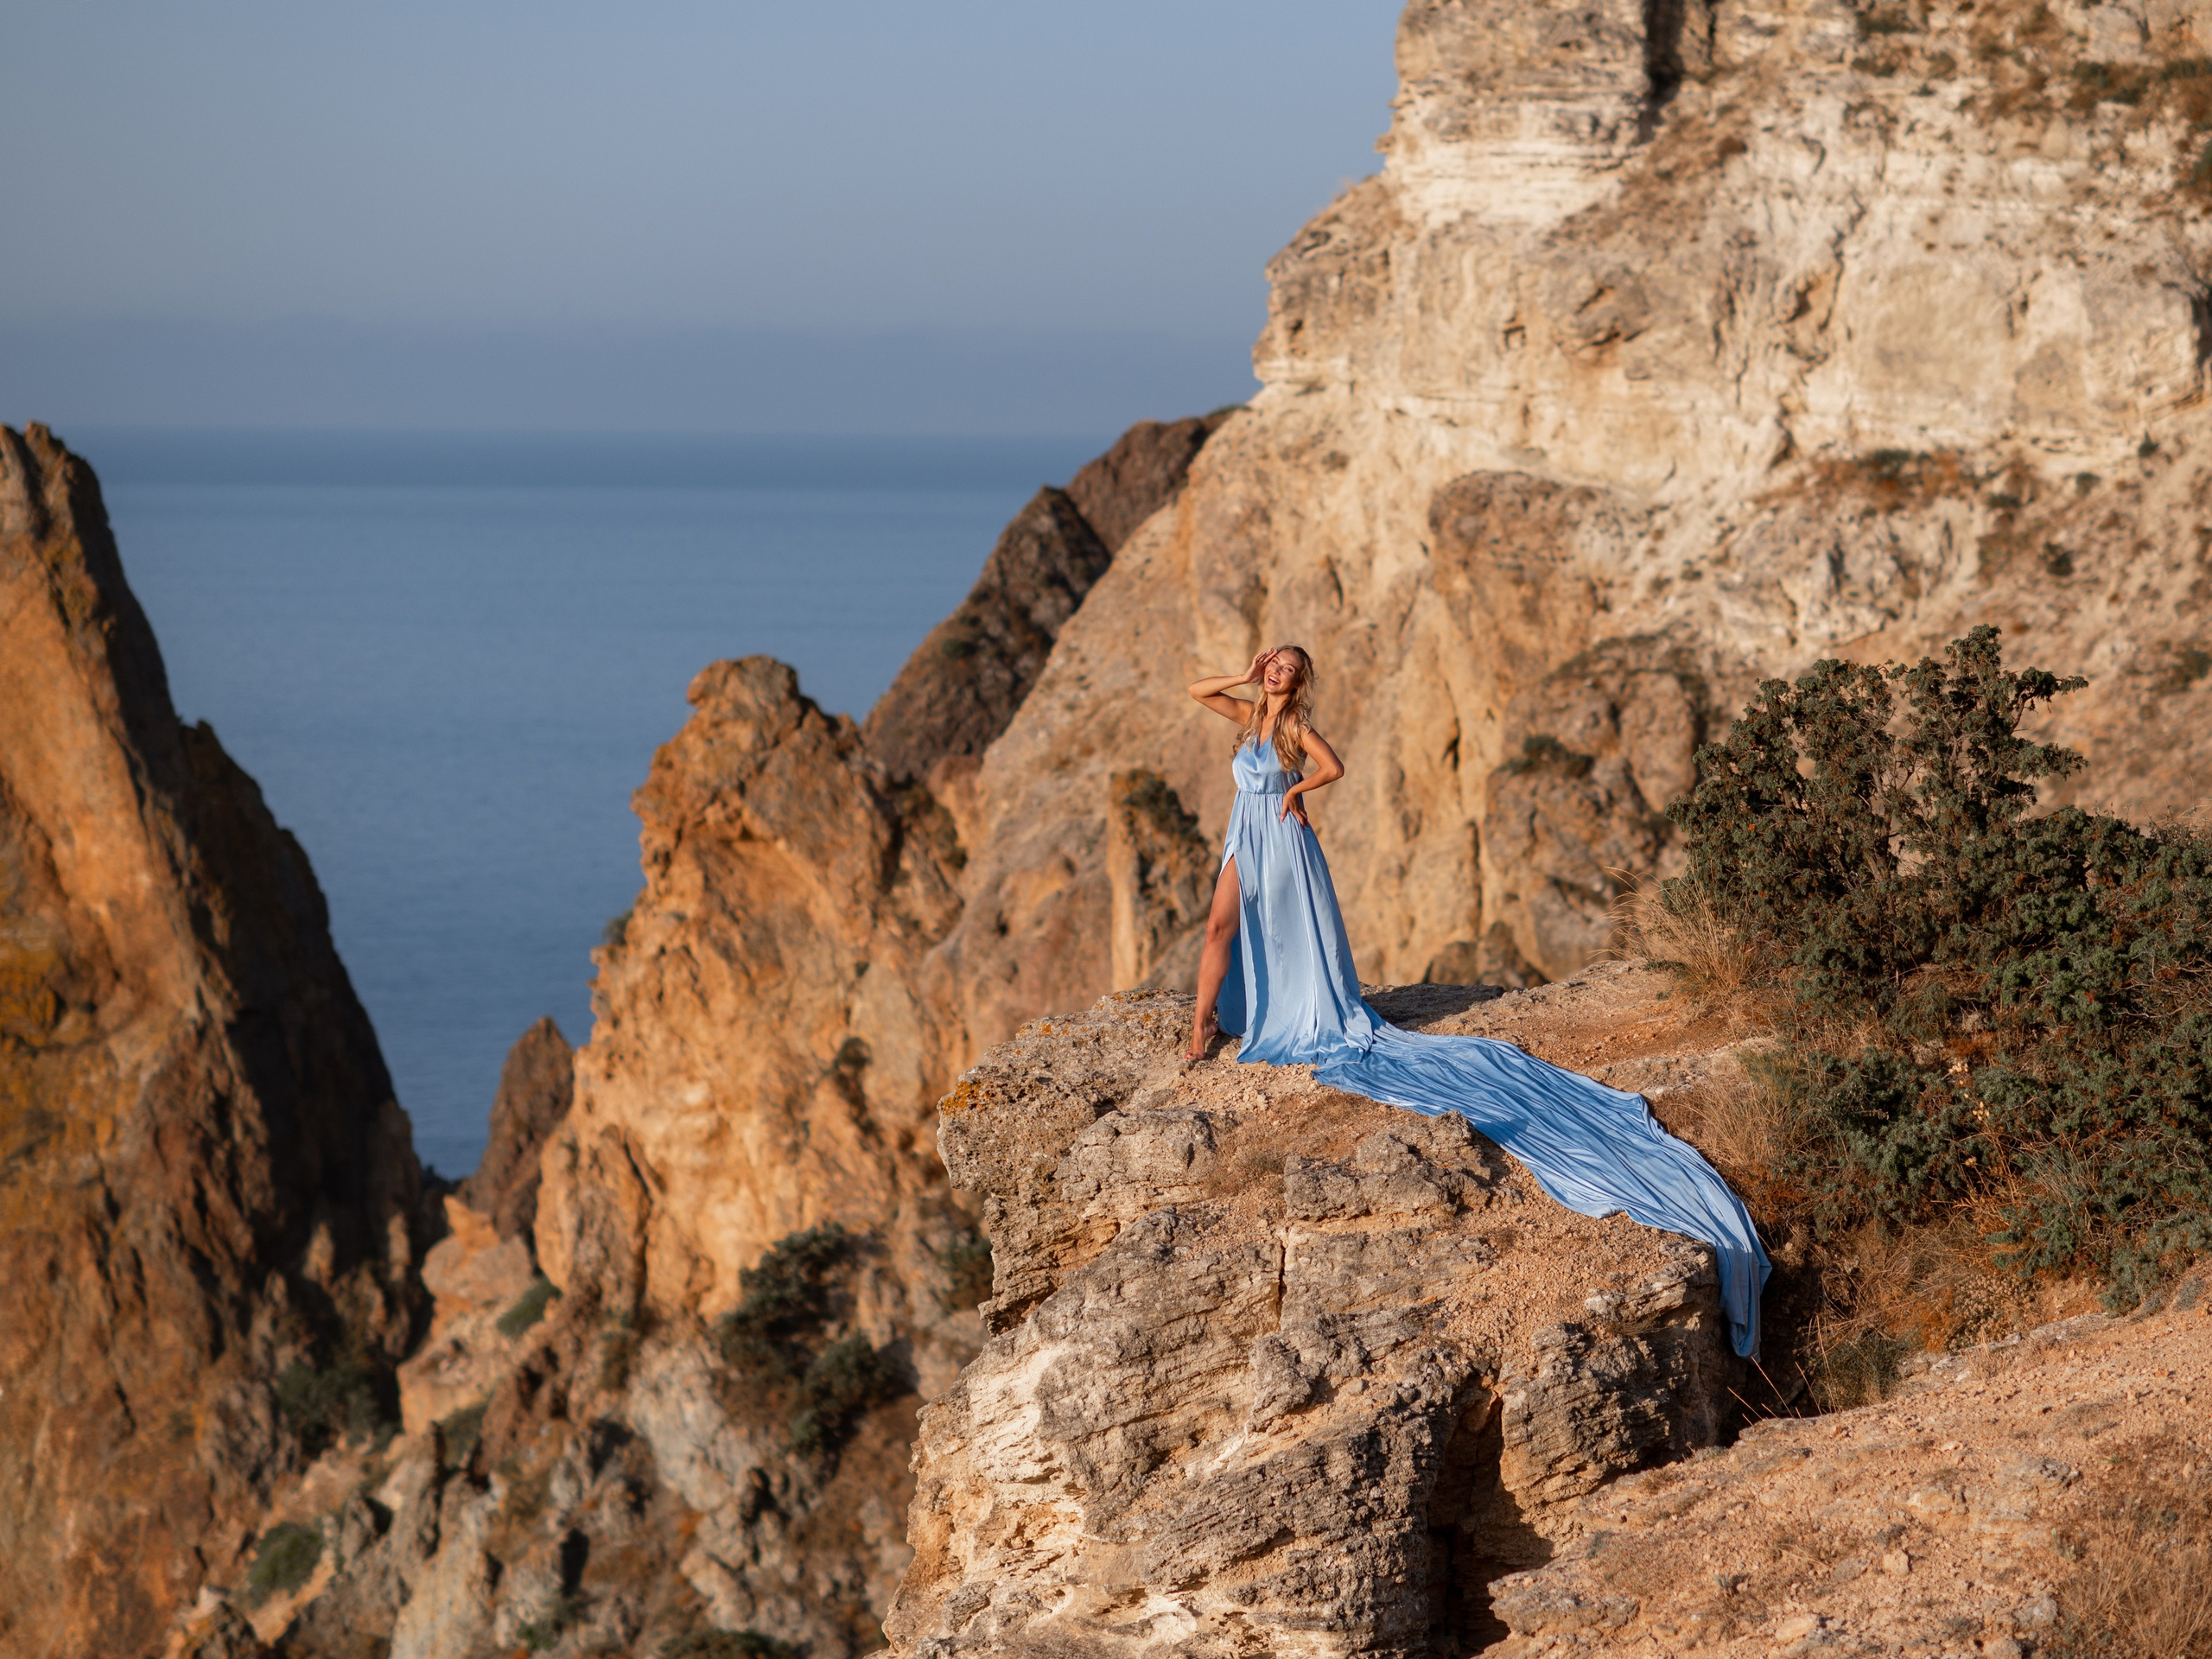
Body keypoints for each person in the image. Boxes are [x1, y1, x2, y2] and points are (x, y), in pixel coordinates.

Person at [1184, 645, 1772, 1357]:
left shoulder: (1293, 733)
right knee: (1221, 925)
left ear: (1301, 680)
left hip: (1281, 833)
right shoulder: (1248, 715)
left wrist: (1295, 792)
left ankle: (1277, 1012)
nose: (1277, 672)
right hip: (1242, 833)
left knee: (1280, 935)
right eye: (1272, 662)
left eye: (1286, 667)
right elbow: (1194, 689)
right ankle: (1200, 1025)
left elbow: (1336, 767)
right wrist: (1246, 676)